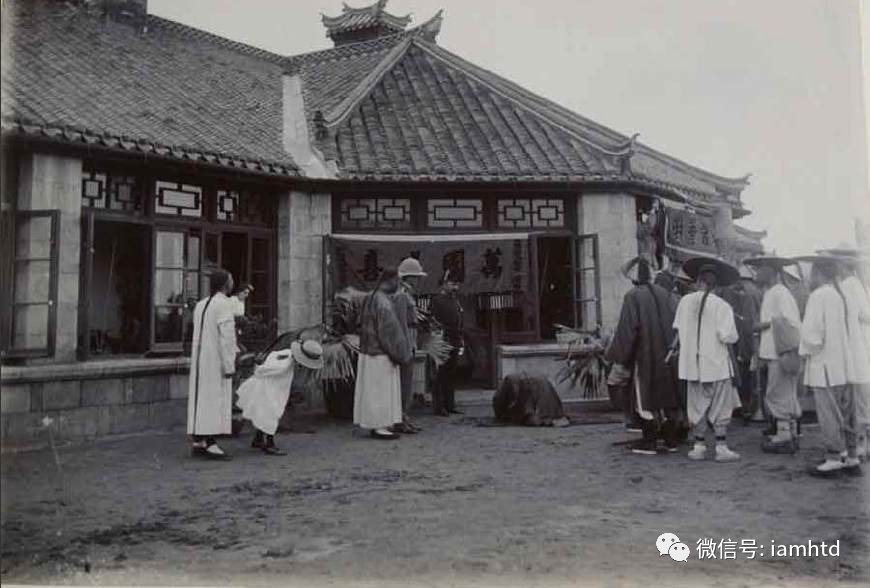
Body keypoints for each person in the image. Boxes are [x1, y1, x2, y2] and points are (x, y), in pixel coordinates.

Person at [606, 257, 682, 454]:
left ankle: (649, 441)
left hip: (645, 354)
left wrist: (619, 356)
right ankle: (670, 440)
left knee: (644, 397)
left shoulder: (632, 296)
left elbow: (627, 330)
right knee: (667, 394)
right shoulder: (665, 294)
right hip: (668, 353)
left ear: (633, 278)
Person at [671, 257, 742, 462]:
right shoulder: (722, 305)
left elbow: (677, 330)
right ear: (716, 284)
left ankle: (699, 446)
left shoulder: (684, 302)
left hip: (692, 365)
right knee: (720, 405)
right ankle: (721, 447)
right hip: (716, 364)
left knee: (696, 405)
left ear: (698, 281)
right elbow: (729, 336)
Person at [796, 255, 860, 477]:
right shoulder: (842, 295)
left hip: (824, 365)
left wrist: (804, 350)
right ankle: (851, 456)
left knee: (829, 413)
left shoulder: (819, 296)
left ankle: (833, 457)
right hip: (845, 364)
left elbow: (812, 335)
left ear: (818, 273)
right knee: (846, 412)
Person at [745, 256, 803, 453]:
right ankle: (790, 433)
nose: (757, 273)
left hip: (781, 352)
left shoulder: (780, 292)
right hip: (776, 352)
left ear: (771, 271)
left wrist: (762, 325)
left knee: (778, 392)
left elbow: (791, 321)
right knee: (782, 392)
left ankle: (784, 436)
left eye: (760, 269)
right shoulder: (772, 292)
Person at [819, 246, 870, 460]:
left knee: (857, 401)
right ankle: (861, 443)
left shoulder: (848, 286)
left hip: (854, 350)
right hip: (859, 348)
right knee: (860, 399)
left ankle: (860, 443)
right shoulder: (855, 285)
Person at [354, 268, 413, 440]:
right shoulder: (384, 303)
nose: (398, 285)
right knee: (382, 392)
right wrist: (401, 354)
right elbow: (390, 333)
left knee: (371, 392)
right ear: (391, 280)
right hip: (380, 354)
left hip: (367, 351)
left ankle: (375, 424)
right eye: (397, 281)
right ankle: (381, 426)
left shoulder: (370, 297)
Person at [236, 339, 323, 455]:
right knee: (273, 414)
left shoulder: (285, 353)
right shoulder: (285, 364)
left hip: (269, 387)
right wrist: (259, 370)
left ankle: (258, 438)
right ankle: (269, 444)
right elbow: (262, 370)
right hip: (270, 389)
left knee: (264, 413)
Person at [188, 269, 239, 460]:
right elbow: (227, 337)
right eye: (231, 280)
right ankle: (210, 441)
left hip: (200, 360)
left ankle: (198, 439)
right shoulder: (224, 304)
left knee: (200, 398)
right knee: (213, 399)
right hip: (215, 360)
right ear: (225, 284)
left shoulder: (201, 305)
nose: (233, 283)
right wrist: (229, 364)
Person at [392, 257, 427, 433]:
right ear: (409, 277)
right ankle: (400, 418)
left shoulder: (407, 294)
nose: (418, 280)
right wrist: (405, 347)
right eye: (416, 277)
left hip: (410, 341)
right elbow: (401, 324)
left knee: (408, 384)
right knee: (404, 385)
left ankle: (404, 416)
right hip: (405, 343)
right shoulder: (401, 296)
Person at [431, 270, 465, 416]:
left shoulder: (455, 301)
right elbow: (433, 322)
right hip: (442, 339)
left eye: (456, 284)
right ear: (444, 284)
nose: (455, 287)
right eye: (452, 284)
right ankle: (439, 406)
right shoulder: (437, 300)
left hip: (455, 339)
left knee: (451, 373)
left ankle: (450, 404)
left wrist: (460, 338)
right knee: (440, 374)